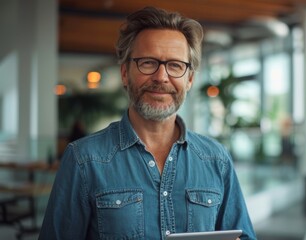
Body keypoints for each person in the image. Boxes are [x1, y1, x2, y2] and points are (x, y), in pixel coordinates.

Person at [39, 6, 256, 240]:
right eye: (148, 62)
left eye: (175, 65)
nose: (161, 77)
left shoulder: (217, 159)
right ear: (125, 73)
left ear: (190, 79)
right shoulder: (84, 160)